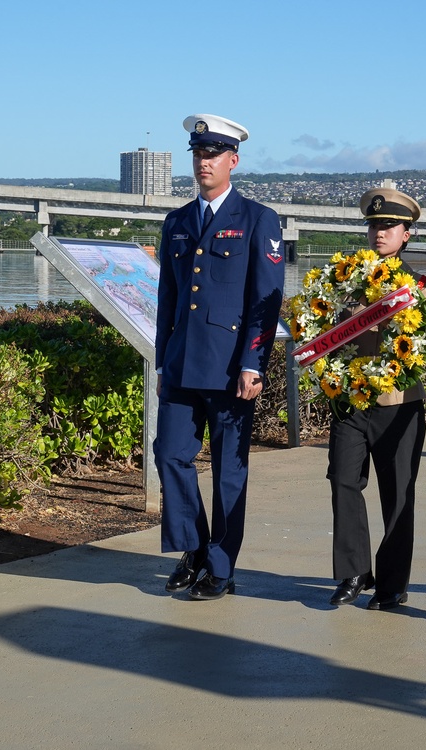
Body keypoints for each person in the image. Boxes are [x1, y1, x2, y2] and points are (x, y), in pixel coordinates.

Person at [154, 114, 285, 601]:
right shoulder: (178, 221)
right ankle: (192, 550)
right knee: (170, 454)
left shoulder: (257, 219)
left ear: (233, 160)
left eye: (212, 155)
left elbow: (266, 300)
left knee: (229, 472)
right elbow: (168, 296)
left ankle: (222, 566)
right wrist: (162, 358)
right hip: (183, 363)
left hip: (231, 369)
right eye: (198, 154)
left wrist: (255, 363)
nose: (203, 162)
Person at [327, 187, 426, 611]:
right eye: (374, 225)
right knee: (342, 481)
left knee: (397, 495)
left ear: (406, 234)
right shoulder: (343, 280)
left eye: (389, 226)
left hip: (398, 405)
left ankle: (392, 584)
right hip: (352, 402)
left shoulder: (420, 286)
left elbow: (418, 340)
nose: (379, 232)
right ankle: (354, 571)